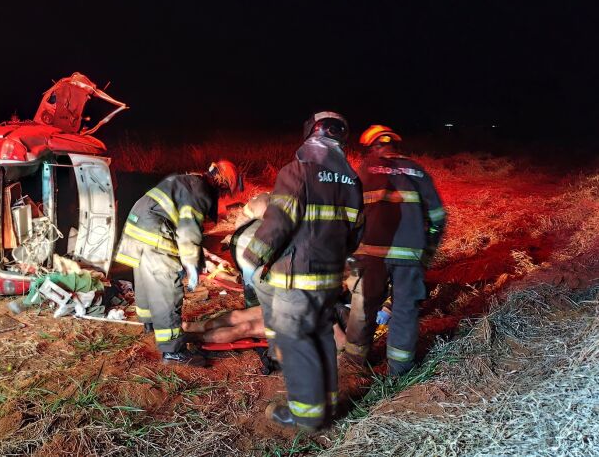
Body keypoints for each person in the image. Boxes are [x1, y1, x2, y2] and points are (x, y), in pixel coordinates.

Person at [241, 111, 364, 432]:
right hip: (329, 277)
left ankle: (307, 417)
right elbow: (355, 233)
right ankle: (327, 405)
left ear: (312, 132)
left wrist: (251, 258)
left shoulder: (298, 171)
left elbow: (279, 221)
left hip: (297, 279)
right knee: (321, 335)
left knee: (295, 339)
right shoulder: (352, 181)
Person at [342, 125, 446, 377]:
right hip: (410, 255)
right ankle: (400, 373)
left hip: (370, 253)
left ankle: (353, 366)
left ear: (370, 148)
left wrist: (348, 252)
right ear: (395, 146)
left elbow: (349, 214)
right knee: (404, 309)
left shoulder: (364, 169)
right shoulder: (418, 172)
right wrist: (428, 251)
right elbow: (437, 217)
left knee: (363, 306)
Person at [115, 160, 241, 367]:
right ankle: (173, 350)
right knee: (167, 289)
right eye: (225, 189)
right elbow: (188, 230)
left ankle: (150, 324)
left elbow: (187, 231)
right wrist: (191, 265)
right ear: (220, 181)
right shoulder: (200, 190)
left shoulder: (188, 181)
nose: (223, 194)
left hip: (137, 227)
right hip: (155, 230)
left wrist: (198, 257)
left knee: (147, 279)